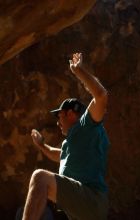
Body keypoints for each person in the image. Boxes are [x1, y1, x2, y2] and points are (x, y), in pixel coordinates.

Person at [22, 53, 110, 220]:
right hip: (82, 208)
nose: (57, 122)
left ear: (70, 114)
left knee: (40, 178)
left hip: (90, 199)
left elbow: (101, 95)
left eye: (59, 116)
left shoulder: (86, 125)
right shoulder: (72, 142)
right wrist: (42, 146)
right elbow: (60, 155)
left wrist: (79, 72)